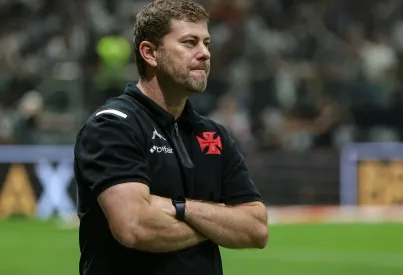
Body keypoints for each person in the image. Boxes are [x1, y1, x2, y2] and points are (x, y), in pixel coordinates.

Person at [73, 1, 268, 275]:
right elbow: (135, 227)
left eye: (207, 43)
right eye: (190, 42)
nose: (205, 54)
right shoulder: (111, 126)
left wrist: (178, 207)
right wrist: (218, 223)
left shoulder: (213, 134)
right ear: (150, 53)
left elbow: (256, 229)